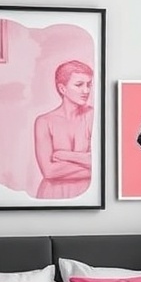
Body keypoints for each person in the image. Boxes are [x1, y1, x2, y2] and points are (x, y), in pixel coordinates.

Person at [34, 60, 93, 199]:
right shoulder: (44, 122)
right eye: (79, 85)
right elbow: (49, 172)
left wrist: (64, 155)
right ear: (62, 89)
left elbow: (101, 164)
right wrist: (87, 162)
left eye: (89, 84)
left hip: (86, 195)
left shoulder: (93, 116)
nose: (86, 91)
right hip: (52, 194)